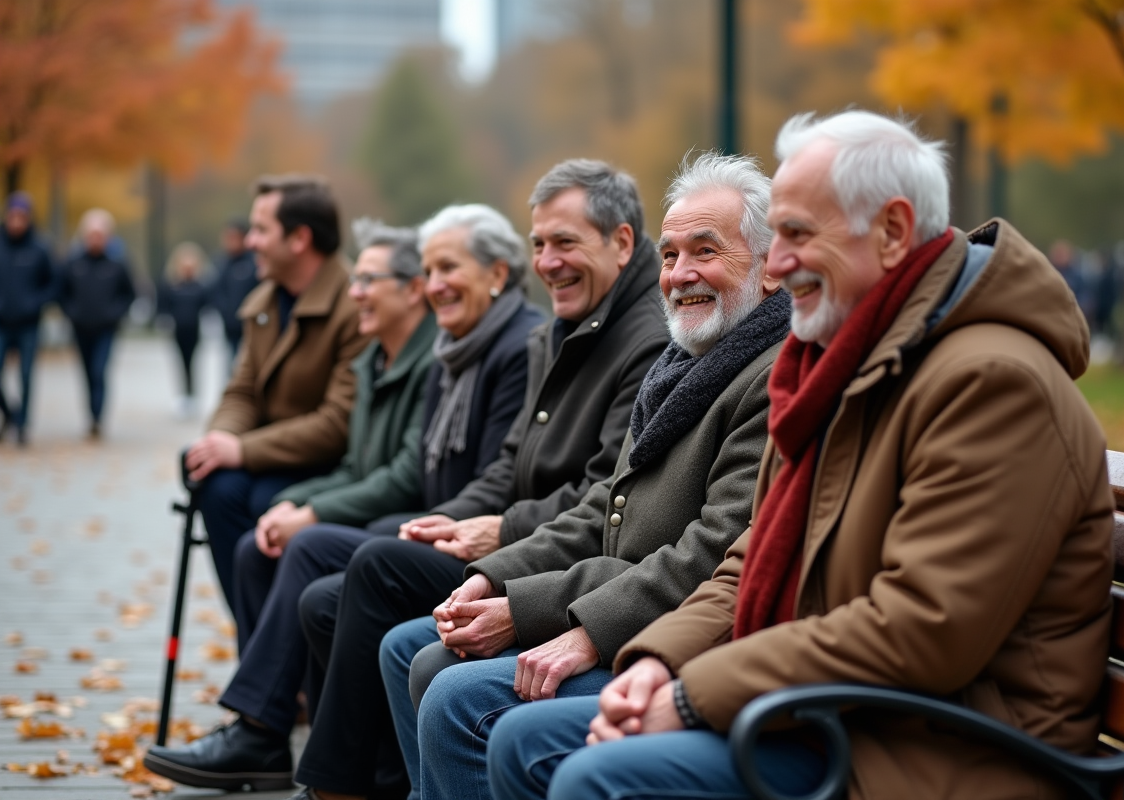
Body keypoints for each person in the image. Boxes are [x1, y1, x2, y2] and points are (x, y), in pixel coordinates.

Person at [487, 110, 1114, 800]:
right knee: (522, 738)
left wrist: (694, 693)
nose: (777, 265)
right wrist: (660, 659)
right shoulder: (853, 359)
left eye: (797, 234)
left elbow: (922, 628)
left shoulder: (991, 383)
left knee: (594, 776)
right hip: (837, 712)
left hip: (943, 749)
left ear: (893, 231)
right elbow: (753, 560)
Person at [382, 152, 793, 800]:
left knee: (454, 691)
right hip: (619, 603)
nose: (679, 274)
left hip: (680, 640)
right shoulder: (684, 363)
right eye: (670, 256)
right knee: (418, 650)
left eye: (705, 251)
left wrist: (561, 621)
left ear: (771, 267)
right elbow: (607, 501)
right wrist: (494, 573)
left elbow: (710, 554)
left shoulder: (769, 376)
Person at [281, 161, 672, 800]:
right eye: (539, 243)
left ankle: (325, 778)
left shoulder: (644, 340)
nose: (547, 261)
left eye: (565, 242)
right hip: (535, 547)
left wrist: (498, 537)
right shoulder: (557, 331)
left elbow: (608, 498)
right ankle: (344, 769)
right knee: (335, 590)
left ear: (622, 242)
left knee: (377, 583)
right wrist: (458, 523)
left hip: (566, 561)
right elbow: (507, 465)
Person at [145, 204, 545, 795]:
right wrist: (294, 500)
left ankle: (283, 743)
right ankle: (277, 723)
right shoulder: (450, 348)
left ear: (497, 274)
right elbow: (358, 459)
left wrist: (313, 510)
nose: (434, 285)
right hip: (439, 519)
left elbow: (443, 476)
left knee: (319, 551)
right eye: (429, 270)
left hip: (473, 534)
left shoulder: (495, 347)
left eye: (446, 269)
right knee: (269, 546)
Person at [185, 175, 369, 609]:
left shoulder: (355, 305)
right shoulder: (266, 303)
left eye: (261, 230)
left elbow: (338, 423)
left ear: (300, 238)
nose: (249, 241)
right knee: (213, 481)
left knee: (261, 498)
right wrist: (220, 441)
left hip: (328, 465)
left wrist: (241, 450)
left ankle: (272, 633)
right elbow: (241, 392)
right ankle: (255, 630)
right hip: (271, 457)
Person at [58, 209, 136, 439]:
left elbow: (129, 294)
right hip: (80, 328)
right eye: (92, 234)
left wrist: (114, 314)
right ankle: (90, 415)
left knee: (99, 370)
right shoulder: (73, 262)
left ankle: (98, 418)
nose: (95, 239)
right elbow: (61, 292)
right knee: (86, 373)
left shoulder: (117, 263)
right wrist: (72, 312)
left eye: (100, 235)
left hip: (105, 329)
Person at [0, 191, 56, 446]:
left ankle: (22, 425)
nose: (16, 221)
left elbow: (53, 284)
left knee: (25, 374)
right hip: (1, 322)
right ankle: (10, 413)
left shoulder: (39, 248)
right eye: (13, 216)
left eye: (21, 216)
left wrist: (35, 303)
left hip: (28, 323)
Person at [157, 242, 212, 418]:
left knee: (193, 363)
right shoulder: (172, 285)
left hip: (195, 331)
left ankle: (193, 395)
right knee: (180, 363)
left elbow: (207, 306)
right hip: (178, 331)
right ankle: (182, 396)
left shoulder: (200, 286)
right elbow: (163, 307)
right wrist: (164, 320)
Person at [209, 218, 259, 363]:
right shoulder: (221, 263)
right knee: (232, 363)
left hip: (252, 324)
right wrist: (226, 313)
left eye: (234, 237)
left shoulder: (254, 261)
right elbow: (215, 292)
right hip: (230, 326)